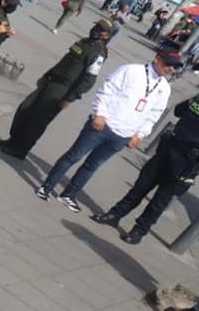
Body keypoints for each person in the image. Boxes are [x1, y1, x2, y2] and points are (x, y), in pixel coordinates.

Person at [35, 43, 184, 213]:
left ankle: (69, 194)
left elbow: (154, 114)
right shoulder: (131, 70)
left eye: (174, 67)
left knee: (92, 166)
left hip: (123, 136)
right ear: (157, 59)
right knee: (73, 156)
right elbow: (107, 90)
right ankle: (47, 187)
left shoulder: (164, 88)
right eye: (168, 64)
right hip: (102, 125)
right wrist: (99, 114)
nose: (170, 69)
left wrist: (140, 134)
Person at [0, 19, 113, 160]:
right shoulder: (84, 42)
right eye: (96, 26)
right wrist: (47, 75)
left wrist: (70, 98)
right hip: (52, 80)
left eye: (100, 29)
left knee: (37, 120)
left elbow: (89, 80)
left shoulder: (99, 53)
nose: (95, 30)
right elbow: (64, 61)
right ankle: (14, 140)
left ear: (106, 35)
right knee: (25, 108)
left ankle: (21, 149)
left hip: (62, 90)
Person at [92, 93, 199, 244]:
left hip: (187, 162)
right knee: (140, 187)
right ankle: (115, 214)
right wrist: (192, 100)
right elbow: (178, 111)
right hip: (169, 149)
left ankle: (139, 231)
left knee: (159, 202)